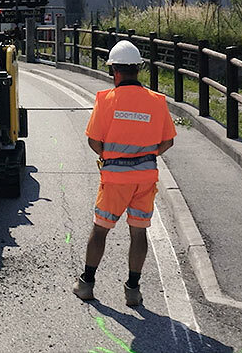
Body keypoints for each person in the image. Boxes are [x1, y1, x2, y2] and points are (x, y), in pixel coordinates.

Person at [73, 40, 175, 307]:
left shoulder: (106, 101)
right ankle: (132, 290)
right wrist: (145, 156)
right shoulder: (157, 101)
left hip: (115, 178)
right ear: (138, 69)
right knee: (138, 233)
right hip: (145, 177)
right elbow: (167, 142)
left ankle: (86, 284)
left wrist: (109, 156)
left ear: (113, 71)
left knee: (100, 230)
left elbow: (94, 140)